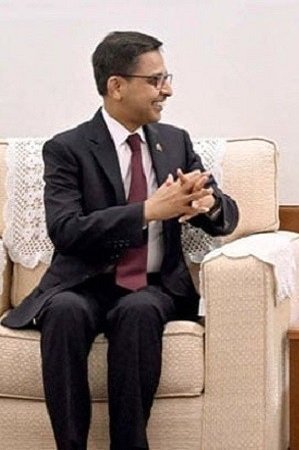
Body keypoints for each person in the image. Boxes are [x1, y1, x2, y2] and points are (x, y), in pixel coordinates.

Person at [1, 31, 239, 449]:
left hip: (152, 287)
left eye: (166, 78)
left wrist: (208, 204)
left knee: (139, 311)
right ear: (116, 86)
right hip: (81, 283)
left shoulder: (175, 142)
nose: (167, 90)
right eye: (155, 80)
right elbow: (66, 229)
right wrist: (147, 211)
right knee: (64, 312)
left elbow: (227, 218)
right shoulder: (67, 149)